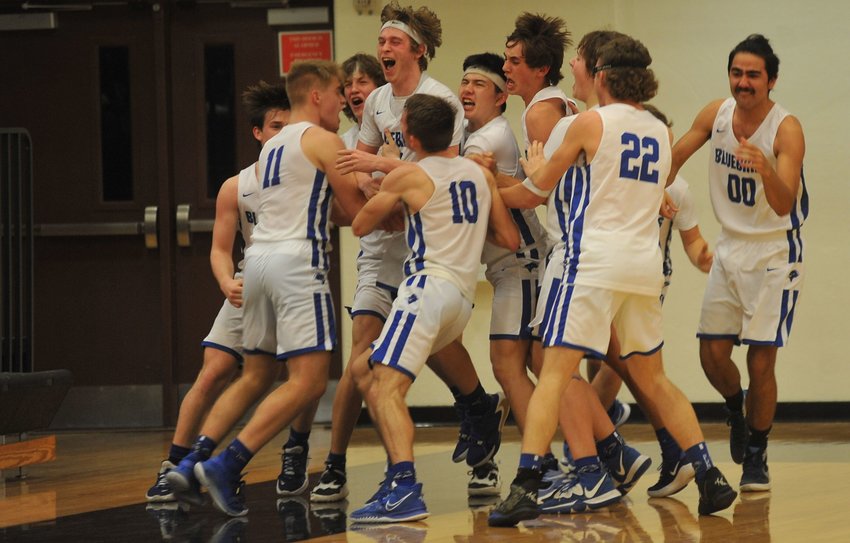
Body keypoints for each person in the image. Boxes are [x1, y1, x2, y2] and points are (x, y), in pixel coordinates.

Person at [488, 35, 737, 527]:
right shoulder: (660, 132)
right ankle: (709, 475)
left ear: (601, 76)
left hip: (591, 262)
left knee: (553, 371)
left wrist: (522, 174)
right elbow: (659, 195)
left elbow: (532, 195)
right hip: (642, 266)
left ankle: (524, 486)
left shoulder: (590, 122)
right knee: (654, 378)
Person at [165, 60, 368, 517]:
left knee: (255, 376)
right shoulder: (323, 140)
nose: (342, 100)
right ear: (316, 95)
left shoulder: (271, 147)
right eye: (338, 91)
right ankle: (228, 462)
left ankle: (194, 458)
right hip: (298, 264)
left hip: (255, 264)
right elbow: (355, 212)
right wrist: (396, 193)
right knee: (310, 381)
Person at [333, 0, 511, 500]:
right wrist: (378, 183)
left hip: (425, 238)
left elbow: (437, 164)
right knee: (376, 357)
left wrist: (389, 179)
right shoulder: (375, 103)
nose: (383, 48)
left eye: (393, 41)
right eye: (381, 41)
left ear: (419, 50)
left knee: (379, 369)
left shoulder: (438, 102)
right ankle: (337, 464)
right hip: (394, 243)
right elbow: (361, 163)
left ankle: (405, 479)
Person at [348, 93, 520, 523]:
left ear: (408, 134)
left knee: (384, 385)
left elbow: (361, 224)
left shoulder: (412, 174)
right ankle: (477, 412)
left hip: (426, 287)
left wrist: (385, 170)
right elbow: (508, 239)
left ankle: (404, 486)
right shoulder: (479, 174)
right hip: (460, 298)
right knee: (364, 371)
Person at [669, 33, 807, 492]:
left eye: (753, 75)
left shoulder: (786, 129)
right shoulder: (717, 114)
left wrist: (765, 167)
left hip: (773, 250)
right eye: (737, 73)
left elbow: (785, 203)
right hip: (730, 246)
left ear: (771, 80)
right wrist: (651, 192)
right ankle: (736, 410)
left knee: (762, 362)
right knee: (711, 354)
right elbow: (674, 159)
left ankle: (757, 454)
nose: (743, 82)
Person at [145, 80, 290, 504]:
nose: (283, 133)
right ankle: (173, 463)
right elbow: (220, 251)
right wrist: (227, 282)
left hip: (290, 285)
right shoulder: (237, 186)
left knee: (291, 380)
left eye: (289, 125)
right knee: (212, 372)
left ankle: (282, 459)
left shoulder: (306, 176)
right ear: (258, 133)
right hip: (247, 286)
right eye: (275, 126)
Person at [458, 51, 547, 497]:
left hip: (523, 262)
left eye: (479, 83)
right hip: (511, 266)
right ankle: (603, 450)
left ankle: (546, 464)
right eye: (465, 82)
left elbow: (474, 216)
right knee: (534, 368)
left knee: (510, 367)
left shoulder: (484, 142)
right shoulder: (472, 135)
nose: (467, 89)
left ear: (501, 95)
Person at [503, 12, 578, 150]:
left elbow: (553, 172)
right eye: (506, 59)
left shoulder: (539, 113)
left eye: (515, 61)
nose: (505, 67)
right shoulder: (550, 100)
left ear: (542, 70)